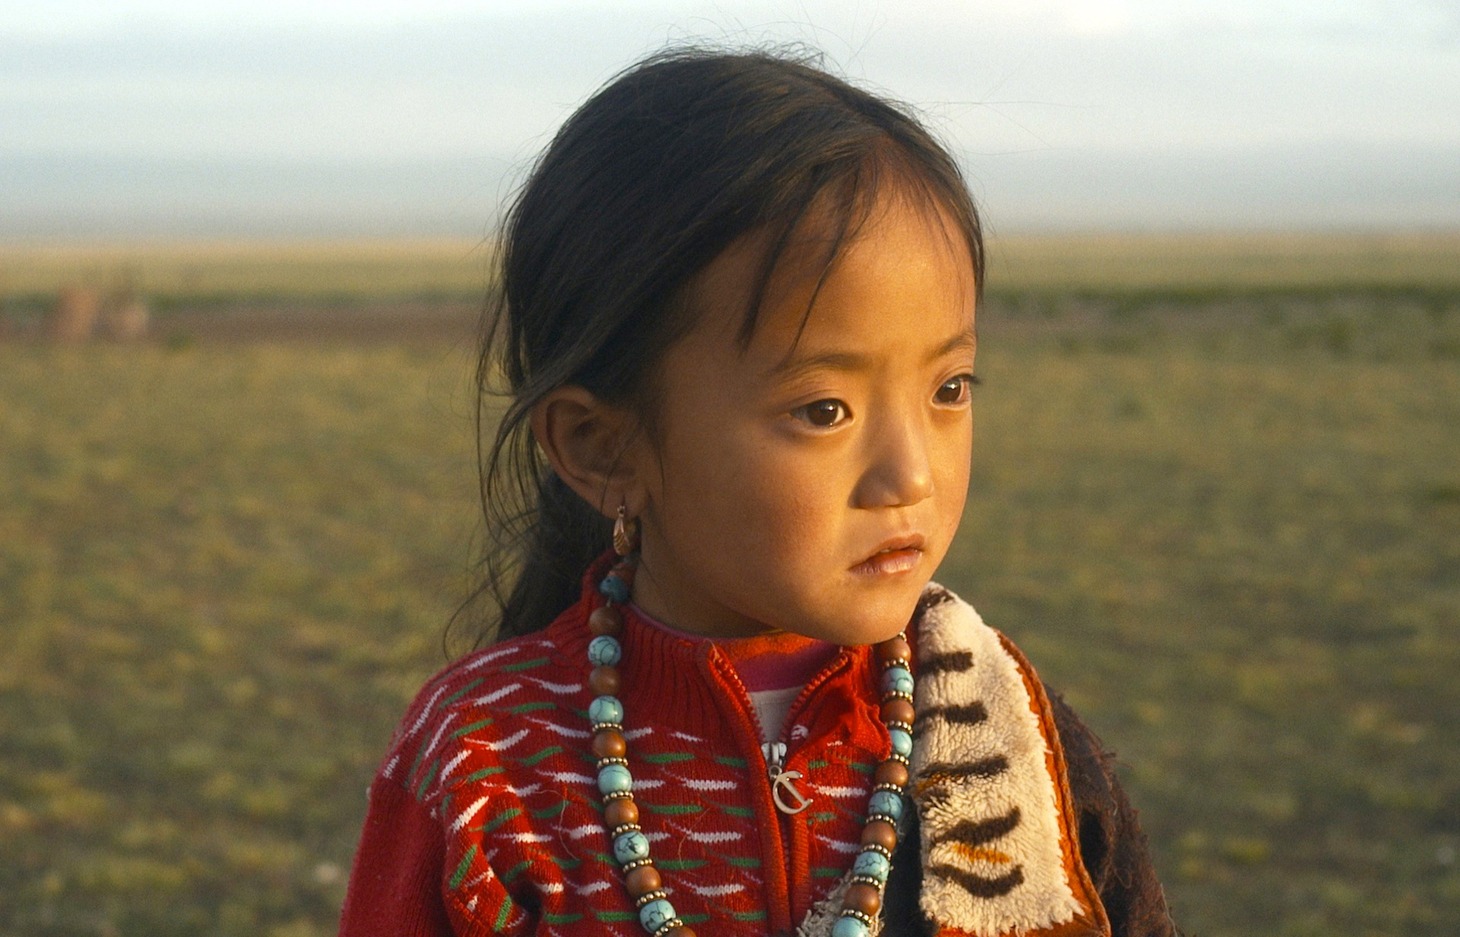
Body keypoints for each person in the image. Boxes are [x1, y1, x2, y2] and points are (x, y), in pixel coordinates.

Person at [339, 47, 1177, 937]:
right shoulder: (489, 767)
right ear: (601, 445)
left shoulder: (1005, 729)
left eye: (949, 389)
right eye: (824, 409)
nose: (912, 475)